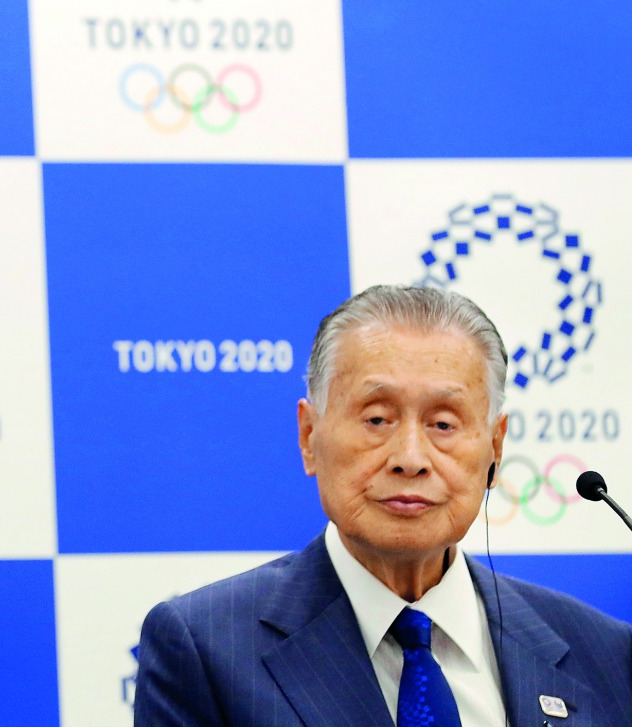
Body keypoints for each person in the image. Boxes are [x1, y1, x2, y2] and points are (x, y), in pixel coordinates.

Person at [134, 285, 632, 726]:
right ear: (309, 437)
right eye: (376, 419)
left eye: (443, 424)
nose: (410, 459)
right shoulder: (207, 650)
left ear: (495, 449)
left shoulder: (605, 654)